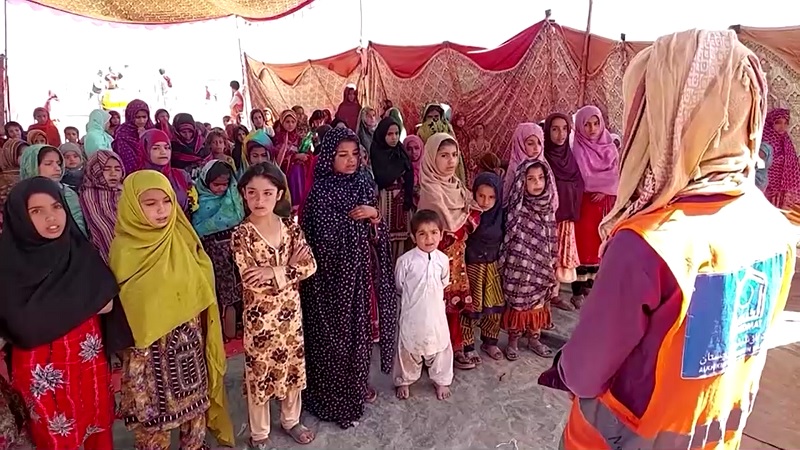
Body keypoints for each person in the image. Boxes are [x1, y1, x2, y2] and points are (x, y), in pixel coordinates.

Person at [538, 29, 795, 449]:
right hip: (714, 435)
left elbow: (585, 371)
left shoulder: (650, 242)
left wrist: (564, 366)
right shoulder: (775, 228)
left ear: (673, 116)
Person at [0, 177, 132, 449]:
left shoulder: (78, 251)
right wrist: (77, 305)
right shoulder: (8, 265)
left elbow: (106, 302)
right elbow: (19, 326)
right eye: (36, 211)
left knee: (98, 430)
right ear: (19, 217)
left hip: (88, 366)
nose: (51, 218)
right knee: (56, 439)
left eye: (56, 207)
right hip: (42, 375)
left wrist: (44, 312)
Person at [109, 170, 234, 450]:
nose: (161, 210)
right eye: (149, 203)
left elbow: (203, 282)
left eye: (166, 201)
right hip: (147, 357)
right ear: (131, 206)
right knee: (152, 422)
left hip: (187, 350)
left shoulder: (182, 237)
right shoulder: (124, 250)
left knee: (194, 413)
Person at [299, 127, 396, 429]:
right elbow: (318, 243)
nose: (351, 160)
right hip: (328, 284)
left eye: (355, 154)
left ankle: (355, 387)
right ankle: (332, 398)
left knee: (359, 335)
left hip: (358, 277)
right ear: (329, 157)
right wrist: (347, 229)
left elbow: (376, 232)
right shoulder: (320, 193)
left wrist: (373, 215)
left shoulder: (364, 183)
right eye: (343, 155)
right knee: (333, 340)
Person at [231, 162, 317, 447]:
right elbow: (251, 280)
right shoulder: (241, 235)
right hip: (260, 319)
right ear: (243, 193)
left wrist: (274, 271)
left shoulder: (291, 229)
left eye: (267, 193)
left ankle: (291, 419)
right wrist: (288, 268)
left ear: (279, 194)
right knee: (260, 371)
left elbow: (310, 265)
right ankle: (260, 432)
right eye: (252, 193)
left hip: (290, 314)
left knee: (292, 365)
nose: (259, 200)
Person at [418, 132, 481, 370]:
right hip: (435, 261)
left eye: (454, 155)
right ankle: (430, 352)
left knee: (453, 307)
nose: (451, 161)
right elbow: (446, 227)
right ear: (432, 158)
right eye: (443, 156)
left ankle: (454, 348)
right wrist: (466, 223)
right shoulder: (430, 189)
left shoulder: (456, 185)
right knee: (433, 307)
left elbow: (471, 213)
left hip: (456, 261)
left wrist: (469, 221)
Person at [393, 209, 454, 401]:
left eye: (434, 232)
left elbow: (444, 282)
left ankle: (441, 379)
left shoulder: (443, 260)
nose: (429, 238)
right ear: (413, 237)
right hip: (413, 314)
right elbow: (399, 285)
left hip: (436, 314)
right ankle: (404, 379)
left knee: (440, 345)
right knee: (408, 346)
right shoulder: (405, 261)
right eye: (422, 233)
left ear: (441, 234)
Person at [501, 160, 558, 360]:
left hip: (542, 264)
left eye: (541, 178)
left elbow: (552, 238)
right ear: (521, 182)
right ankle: (513, 341)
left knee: (538, 304)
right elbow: (508, 237)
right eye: (531, 179)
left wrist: (552, 263)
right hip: (519, 267)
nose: (537, 183)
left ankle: (534, 338)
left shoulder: (547, 207)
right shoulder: (516, 207)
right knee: (517, 302)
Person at [570, 105, 619, 308]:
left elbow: (617, 174)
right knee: (582, 244)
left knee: (599, 243)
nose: (592, 128)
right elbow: (585, 177)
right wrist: (605, 184)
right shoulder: (577, 148)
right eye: (587, 124)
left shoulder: (610, 146)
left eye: (596, 123)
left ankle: (592, 284)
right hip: (585, 203)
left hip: (604, 203)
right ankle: (577, 289)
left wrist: (606, 188)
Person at [192, 160, 246, 340]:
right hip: (212, 253)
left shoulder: (233, 196)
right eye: (216, 184)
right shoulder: (198, 198)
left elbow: (240, 220)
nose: (221, 189)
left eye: (224, 184)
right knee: (220, 293)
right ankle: (222, 332)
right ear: (206, 181)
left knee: (236, 291)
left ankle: (235, 328)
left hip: (235, 250)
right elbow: (197, 227)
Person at [462, 172, 506, 363]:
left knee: (494, 306)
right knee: (470, 307)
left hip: (493, 266)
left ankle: (490, 341)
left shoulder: (501, 216)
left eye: (491, 197)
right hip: (472, 266)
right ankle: (468, 345)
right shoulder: (468, 214)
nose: (485, 201)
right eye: (481, 196)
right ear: (474, 194)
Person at [543, 112, 584, 309]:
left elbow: (578, 184)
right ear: (547, 131)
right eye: (555, 129)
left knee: (559, 257)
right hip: (548, 218)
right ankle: (541, 297)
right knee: (546, 256)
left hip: (566, 217)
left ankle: (555, 295)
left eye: (564, 129)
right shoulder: (543, 158)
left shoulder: (571, 157)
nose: (560, 134)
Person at [371, 116, 414, 261]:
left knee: (401, 240)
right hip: (385, 198)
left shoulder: (400, 150)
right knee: (385, 236)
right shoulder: (377, 151)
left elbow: (409, 173)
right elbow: (381, 178)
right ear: (382, 134)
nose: (394, 137)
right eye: (390, 134)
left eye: (396, 133)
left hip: (401, 200)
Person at [19, 144, 87, 236]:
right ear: (31, 166)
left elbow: (79, 231)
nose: (57, 168)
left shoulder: (67, 194)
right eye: (48, 163)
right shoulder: (19, 196)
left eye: (58, 163)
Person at [79, 150, 125, 262]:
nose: (113, 173)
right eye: (106, 169)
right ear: (95, 169)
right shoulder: (89, 195)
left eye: (117, 169)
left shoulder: (127, 189)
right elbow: (102, 228)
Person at [139, 129, 194, 214]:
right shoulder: (137, 180)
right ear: (145, 150)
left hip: (182, 225)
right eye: (156, 148)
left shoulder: (181, 175)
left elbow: (192, 205)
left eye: (167, 147)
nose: (163, 152)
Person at [763, 108, 800, 209]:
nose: (782, 127)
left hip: (782, 186)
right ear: (771, 123)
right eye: (778, 122)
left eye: (785, 123)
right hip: (767, 185)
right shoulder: (765, 138)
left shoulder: (785, 140)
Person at [112, 99, 154, 174]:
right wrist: (141, 140)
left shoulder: (151, 130)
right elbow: (128, 162)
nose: (142, 121)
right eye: (137, 117)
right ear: (130, 116)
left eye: (144, 117)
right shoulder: (123, 133)